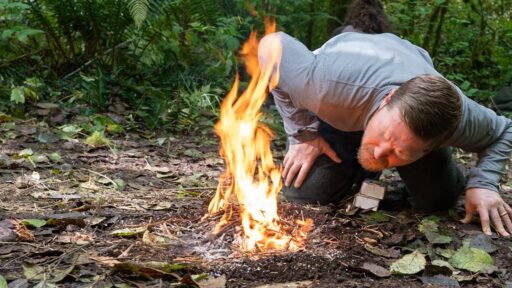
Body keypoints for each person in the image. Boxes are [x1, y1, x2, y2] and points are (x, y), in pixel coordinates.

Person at [257, 30, 512, 237]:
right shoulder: (323, 86)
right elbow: (272, 45)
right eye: (385, 136)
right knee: (306, 193)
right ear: (389, 99)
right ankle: (367, 159)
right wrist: (303, 134)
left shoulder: (459, 120)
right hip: (347, 101)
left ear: (431, 147)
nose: (380, 151)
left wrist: (484, 183)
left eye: (398, 152)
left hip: (401, 78)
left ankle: (425, 164)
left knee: (438, 200)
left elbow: (505, 130)